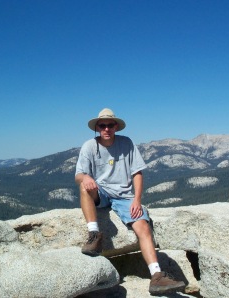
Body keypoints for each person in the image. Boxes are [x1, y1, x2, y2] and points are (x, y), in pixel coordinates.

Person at [75, 108, 185, 295]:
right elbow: (78, 175)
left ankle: (156, 276)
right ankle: (94, 235)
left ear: (116, 126)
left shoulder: (127, 143)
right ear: (97, 128)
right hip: (100, 192)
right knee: (84, 186)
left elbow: (137, 173)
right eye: (103, 125)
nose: (107, 129)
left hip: (124, 196)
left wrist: (137, 200)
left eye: (110, 125)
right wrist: (85, 177)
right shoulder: (89, 146)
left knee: (142, 226)